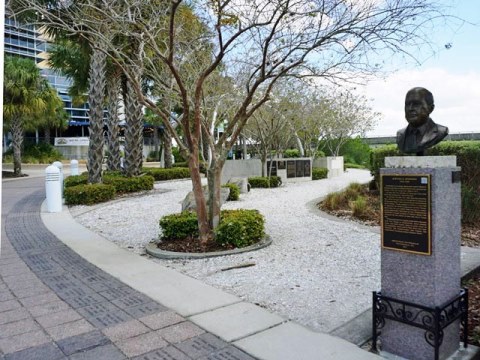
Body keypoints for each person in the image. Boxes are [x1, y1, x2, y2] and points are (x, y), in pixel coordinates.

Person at [396, 87, 449, 155]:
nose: (410, 108)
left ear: (430, 108)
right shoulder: (401, 135)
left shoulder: (441, 131)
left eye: (416, 104)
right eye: (407, 104)